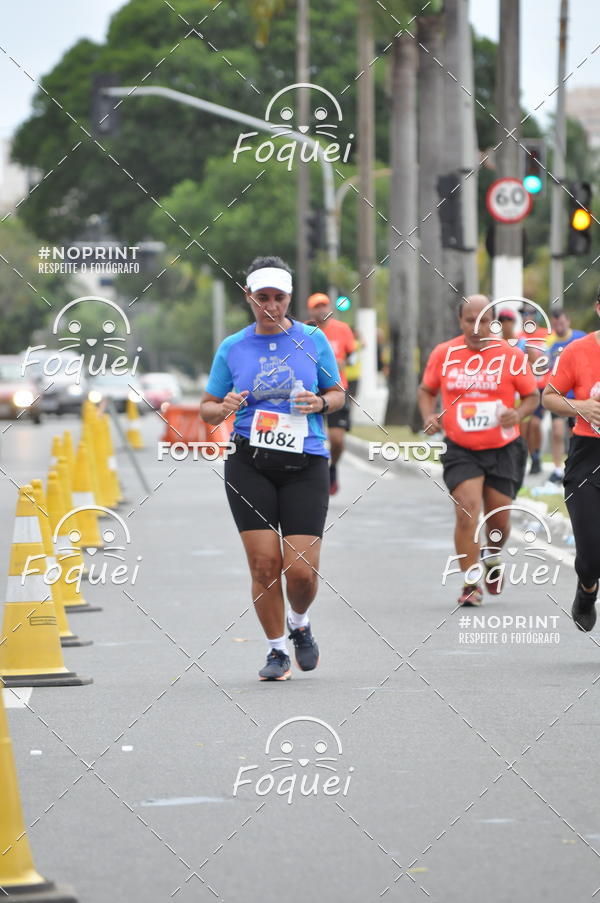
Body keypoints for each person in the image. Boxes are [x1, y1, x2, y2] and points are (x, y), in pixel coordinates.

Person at [200, 257, 345, 680]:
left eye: (278, 297)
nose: (270, 305)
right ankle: (276, 650)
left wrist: (319, 403)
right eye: (261, 297)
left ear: (289, 298)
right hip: (250, 462)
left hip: (306, 460)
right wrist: (222, 407)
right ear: (248, 297)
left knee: (300, 570)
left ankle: (299, 624)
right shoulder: (233, 347)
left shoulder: (313, 341)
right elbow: (207, 408)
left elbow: (337, 394)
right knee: (264, 566)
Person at [418, 294, 539, 606]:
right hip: (461, 447)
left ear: (493, 323)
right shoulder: (445, 353)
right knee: (466, 508)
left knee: (499, 519)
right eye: (470, 320)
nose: (476, 326)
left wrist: (519, 413)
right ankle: (470, 584)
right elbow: (427, 390)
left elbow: (531, 396)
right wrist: (429, 416)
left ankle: (492, 556)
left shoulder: (510, 355)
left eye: (483, 320)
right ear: (460, 321)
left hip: (504, 446)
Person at [543, 291, 600, 631]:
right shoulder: (578, 351)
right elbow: (548, 397)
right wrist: (582, 406)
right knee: (592, 553)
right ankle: (587, 586)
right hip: (587, 456)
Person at [306, 293, 355, 495]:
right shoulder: (305, 331)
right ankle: (311, 476)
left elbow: (354, 356)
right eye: (317, 307)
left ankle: (332, 468)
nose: (322, 310)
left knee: (336, 439)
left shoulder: (342, 330)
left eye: (325, 306)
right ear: (311, 310)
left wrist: (345, 363)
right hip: (311, 391)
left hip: (336, 389)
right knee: (311, 437)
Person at [545, 308, 586, 483]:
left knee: (575, 434)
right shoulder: (549, 342)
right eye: (555, 324)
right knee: (556, 431)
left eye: (561, 322)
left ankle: (573, 465)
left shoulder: (580, 337)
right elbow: (544, 365)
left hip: (578, 395)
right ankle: (556, 468)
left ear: (568, 321)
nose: (558, 326)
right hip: (558, 395)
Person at [517, 303, 549, 475]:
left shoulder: (545, 334)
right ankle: (531, 456)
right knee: (525, 426)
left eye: (529, 313)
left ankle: (536, 457)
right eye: (522, 313)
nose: (526, 316)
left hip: (543, 386)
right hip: (525, 388)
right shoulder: (518, 337)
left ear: (536, 316)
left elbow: (551, 358)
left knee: (535, 424)